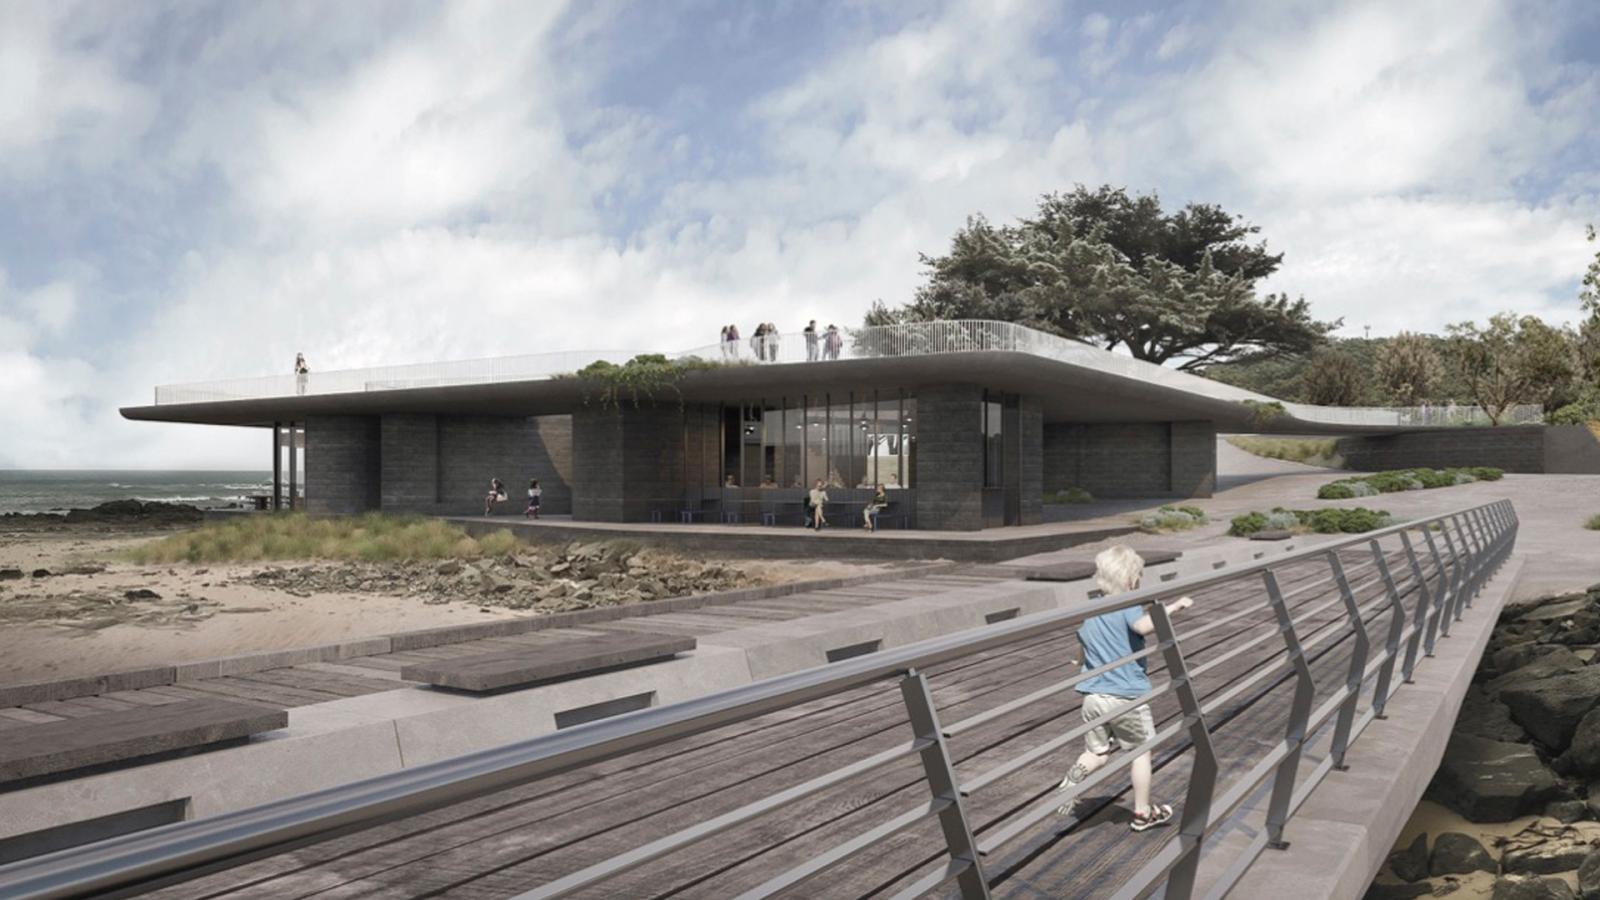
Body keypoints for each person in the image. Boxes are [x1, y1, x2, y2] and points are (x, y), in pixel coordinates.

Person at [1055, 545, 1194, 832]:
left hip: (1093, 697)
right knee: (1141, 752)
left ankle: (1074, 778)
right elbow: (1143, 627)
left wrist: (1077, 661)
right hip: (1126, 697)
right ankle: (1142, 813)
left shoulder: (1092, 611)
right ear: (1131, 580)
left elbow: (1082, 644)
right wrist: (1173, 608)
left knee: (1097, 753)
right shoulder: (1128, 606)